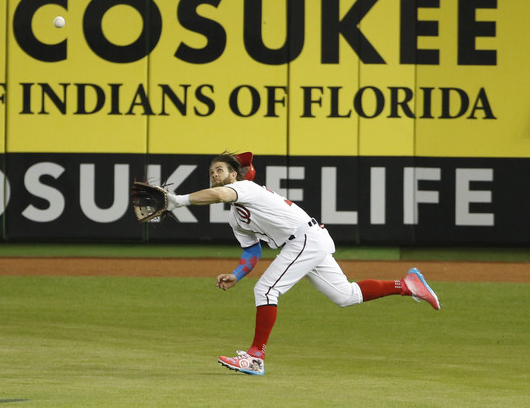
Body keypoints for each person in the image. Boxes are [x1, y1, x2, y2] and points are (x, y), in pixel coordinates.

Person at [165, 151, 440, 376]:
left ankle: (255, 357)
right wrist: (237, 274)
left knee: (266, 290)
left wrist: (177, 201)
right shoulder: (236, 217)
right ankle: (406, 285)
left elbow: (219, 195)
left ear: (235, 175)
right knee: (346, 295)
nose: (215, 174)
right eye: (212, 171)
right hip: (309, 240)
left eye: (221, 170)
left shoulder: (244, 188)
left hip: (304, 238)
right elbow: (251, 251)